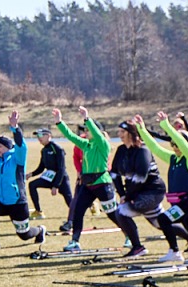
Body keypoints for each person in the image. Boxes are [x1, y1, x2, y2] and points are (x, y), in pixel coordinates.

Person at [55, 106, 145, 255]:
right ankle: (75, 242)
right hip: (88, 184)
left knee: (113, 213)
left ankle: (129, 236)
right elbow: (70, 136)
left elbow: (96, 133)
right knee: (78, 211)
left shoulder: (103, 144)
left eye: (87, 130)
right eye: (85, 130)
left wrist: (87, 118)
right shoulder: (86, 144)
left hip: (102, 184)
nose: (85, 132)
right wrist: (59, 122)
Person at [111, 117, 187, 260]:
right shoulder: (121, 150)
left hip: (153, 192)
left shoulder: (143, 151)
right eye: (119, 131)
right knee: (160, 222)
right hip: (136, 193)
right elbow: (114, 174)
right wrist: (122, 194)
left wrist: (128, 197)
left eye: (122, 132)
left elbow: (140, 178)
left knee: (121, 212)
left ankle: (137, 247)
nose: (119, 134)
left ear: (131, 133)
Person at [138, 111, 188, 264]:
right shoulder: (174, 158)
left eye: (177, 144)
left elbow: (182, 143)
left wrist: (166, 126)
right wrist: (142, 129)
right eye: (172, 144)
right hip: (179, 202)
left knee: (165, 219)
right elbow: (155, 148)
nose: (174, 147)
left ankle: (179, 252)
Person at [0, 109, 45, 251]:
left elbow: (21, 146)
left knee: (24, 234)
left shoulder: (17, 158)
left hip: (17, 202)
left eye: (0, 146)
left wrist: (15, 128)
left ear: (8, 147)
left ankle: (39, 230)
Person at [26, 126, 72, 223]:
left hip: (61, 178)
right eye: (37, 136)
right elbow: (41, 167)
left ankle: (89, 206)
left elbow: (61, 168)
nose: (39, 138)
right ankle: (38, 211)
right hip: (49, 178)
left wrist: (56, 185)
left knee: (69, 201)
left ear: (48, 136)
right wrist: (31, 174)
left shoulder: (57, 149)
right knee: (32, 185)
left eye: (41, 135)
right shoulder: (44, 150)